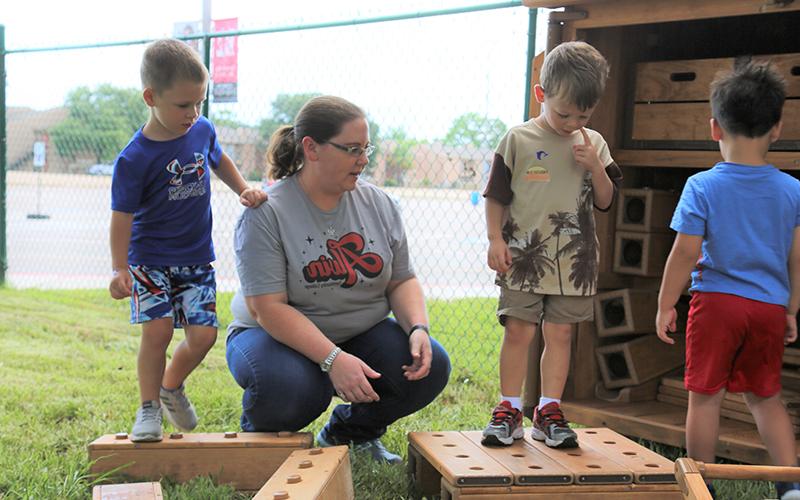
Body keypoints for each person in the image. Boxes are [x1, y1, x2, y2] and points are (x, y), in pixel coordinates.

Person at [225, 95, 451, 464]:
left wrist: (417, 329)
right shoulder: (266, 212)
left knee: (430, 367)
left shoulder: (379, 203)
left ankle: (349, 434)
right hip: (269, 335)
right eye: (351, 149)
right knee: (293, 389)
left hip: (356, 332)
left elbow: (402, 279)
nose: (363, 160)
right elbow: (267, 309)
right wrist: (333, 359)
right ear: (311, 148)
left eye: (366, 148)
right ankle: (260, 445)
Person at [655, 61, 800, 500]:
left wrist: (667, 302)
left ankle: (700, 484)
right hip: (769, 308)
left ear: (714, 127)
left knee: (705, 396)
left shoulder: (702, 186)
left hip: (717, 304)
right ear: (776, 128)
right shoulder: (791, 189)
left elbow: (685, 251)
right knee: (765, 397)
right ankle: (793, 487)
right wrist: (791, 308)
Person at [109, 38, 267, 443]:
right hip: (149, 260)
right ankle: (148, 409)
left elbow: (219, 159)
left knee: (204, 336)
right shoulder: (134, 158)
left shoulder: (201, 131)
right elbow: (121, 217)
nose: (193, 114)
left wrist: (243, 189)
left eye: (199, 103)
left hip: (196, 258)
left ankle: (170, 385)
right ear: (150, 97)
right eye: (183, 105)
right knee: (157, 332)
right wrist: (118, 267)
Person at [481, 41, 622, 448]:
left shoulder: (593, 143)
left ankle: (548, 410)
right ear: (541, 95)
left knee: (560, 335)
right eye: (563, 112)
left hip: (575, 261)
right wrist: (494, 240)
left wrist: (595, 166)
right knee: (519, 332)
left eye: (583, 114)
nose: (572, 121)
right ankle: (508, 408)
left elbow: (606, 200)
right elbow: (496, 196)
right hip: (523, 257)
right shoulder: (518, 139)